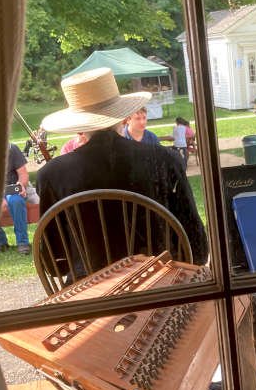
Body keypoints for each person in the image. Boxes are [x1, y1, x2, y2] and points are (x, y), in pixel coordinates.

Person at [37, 67, 208, 266]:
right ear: (123, 117)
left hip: (91, 289)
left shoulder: (50, 175)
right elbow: (197, 247)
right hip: (159, 282)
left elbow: (54, 262)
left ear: (79, 127)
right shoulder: (164, 159)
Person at [0, 142, 32, 255]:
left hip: (13, 189)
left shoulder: (11, 148)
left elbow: (23, 174)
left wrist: (21, 185)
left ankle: (22, 242)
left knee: (15, 201)